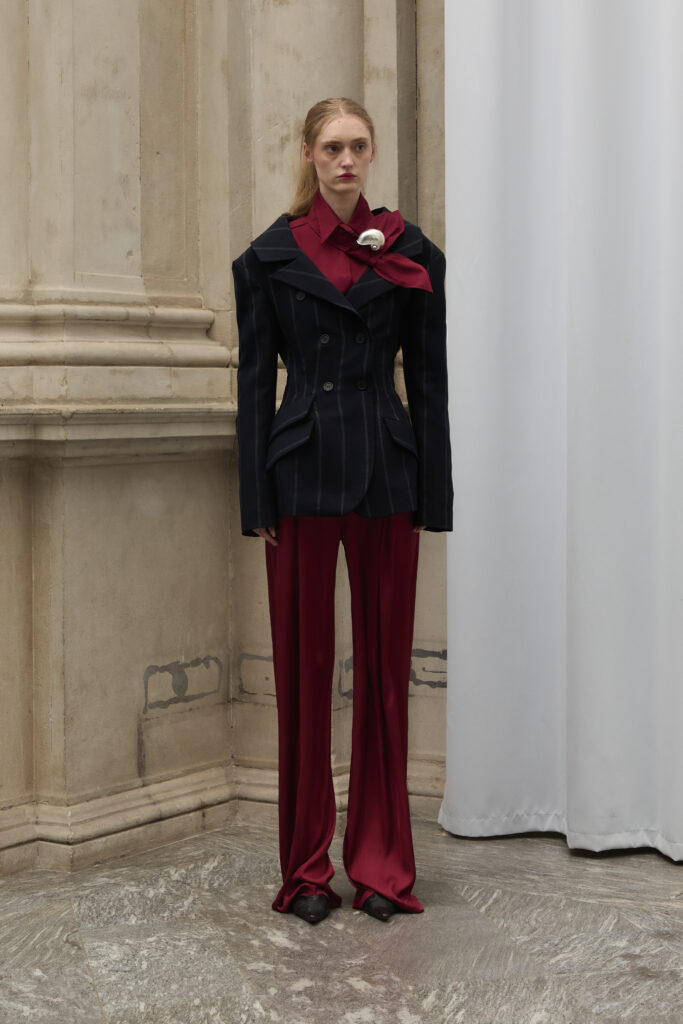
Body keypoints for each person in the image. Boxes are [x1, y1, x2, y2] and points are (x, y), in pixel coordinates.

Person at [232, 97, 453, 925]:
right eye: (331, 147)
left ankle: (382, 867)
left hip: (388, 474)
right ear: (308, 154)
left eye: (358, 145)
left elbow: (427, 379)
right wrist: (254, 496)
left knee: (385, 679)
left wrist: (436, 492)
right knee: (302, 677)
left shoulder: (410, 250)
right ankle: (305, 871)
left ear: (372, 153)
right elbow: (255, 383)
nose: (346, 160)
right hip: (296, 476)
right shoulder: (267, 257)